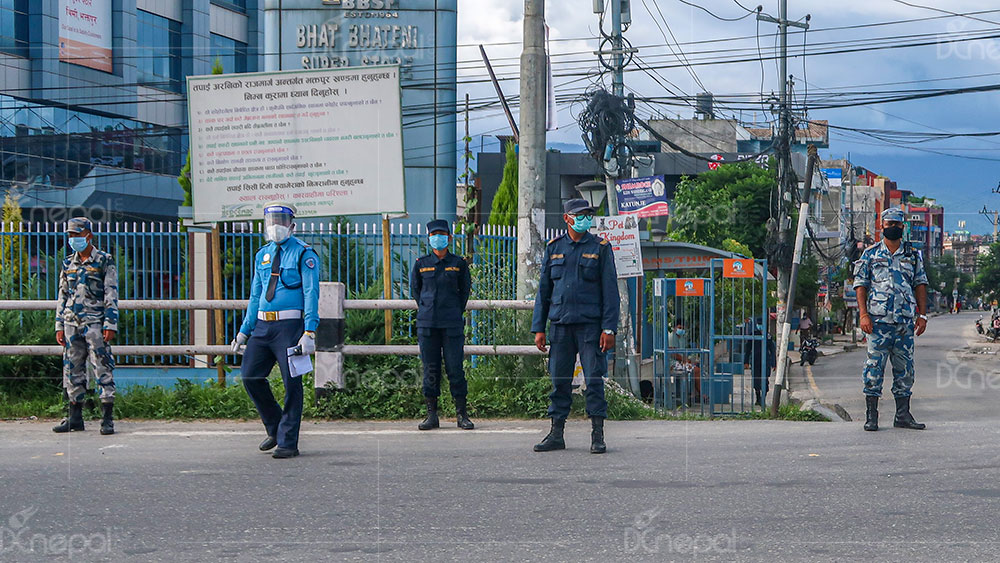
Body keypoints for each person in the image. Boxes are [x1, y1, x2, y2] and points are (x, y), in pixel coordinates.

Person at [231, 204, 320, 458]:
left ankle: (288, 441)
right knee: (250, 376)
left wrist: (309, 330)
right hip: (262, 326)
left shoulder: (304, 254)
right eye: (271, 220)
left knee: (293, 383)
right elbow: (256, 294)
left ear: (292, 225)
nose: (275, 226)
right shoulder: (262, 255)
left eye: (281, 220)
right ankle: (275, 427)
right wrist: (244, 331)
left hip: (290, 327)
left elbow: (311, 293)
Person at [531, 198, 619, 454]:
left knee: (593, 380)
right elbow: (544, 291)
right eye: (579, 215)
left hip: (591, 327)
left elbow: (610, 291)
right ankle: (556, 433)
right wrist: (539, 328)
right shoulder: (554, 248)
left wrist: (609, 329)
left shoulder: (600, 247)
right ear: (567, 218)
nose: (584, 219)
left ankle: (597, 435)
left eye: (588, 215)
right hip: (560, 325)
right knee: (559, 381)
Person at [854, 207, 928, 432]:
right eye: (889, 224)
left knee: (905, 369)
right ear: (882, 226)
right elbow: (861, 285)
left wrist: (922, 315)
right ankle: (871, 416)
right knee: (873, 368)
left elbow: (920, 284)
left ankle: (903, 415)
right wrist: (863, 314)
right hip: (878, 322)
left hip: (904, 322)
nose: (893, 228)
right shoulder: (871, 253)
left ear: (902, 227)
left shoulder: (912, 254)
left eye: (897, 224)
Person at [53, 218, 118, 435]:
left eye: (77, 235)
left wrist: (110, 323)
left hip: (95, 323)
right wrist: (59, 325)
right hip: (72, 323)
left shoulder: (104, 260)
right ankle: (75, 418)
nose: (73, 239)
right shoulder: (67, 263)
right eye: (70, 235)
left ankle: (107, 418)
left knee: (102, 367)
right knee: (72, 369)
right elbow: (63, 295)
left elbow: (111, 294)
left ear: (88, 235)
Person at [410, 219, 474, 430]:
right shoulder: (421, 264)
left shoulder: (458, 264)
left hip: (452, 324)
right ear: (429, 238)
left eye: (442, 234)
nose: (438, 238)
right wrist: (427, 309)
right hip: (427, 323)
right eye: (434, 235)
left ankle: (461, 414)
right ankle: (431, 415)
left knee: (455, 368)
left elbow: (464, 292)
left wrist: (455, 310)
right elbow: (416, 292)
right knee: (430, 369)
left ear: (449, 237)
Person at [743, 321, 775, 407]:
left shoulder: (768, 336)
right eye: (759, 324)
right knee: (756, 381)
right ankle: (758, 398)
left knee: (765, 381)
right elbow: (748, 349)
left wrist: (774, 363)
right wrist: (745, 362)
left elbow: (772, 350)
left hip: (766, 361)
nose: (760, 326)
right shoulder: (753, 335)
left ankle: (763, 399)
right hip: (755, 361)